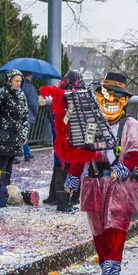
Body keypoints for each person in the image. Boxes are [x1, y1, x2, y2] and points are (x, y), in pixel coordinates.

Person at [64, 72, 138, 275]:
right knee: (99, 231)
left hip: (120, 186)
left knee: (116, 229)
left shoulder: (130, 125)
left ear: (125, 100)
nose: (111, 100)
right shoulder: (92, 124)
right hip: (94, 185)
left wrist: (122, 168)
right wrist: (73, 177)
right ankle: (105, 269)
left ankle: (111, 274)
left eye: (117, 96)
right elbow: (82, 152)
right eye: (106, 94)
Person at [43, 70, 84, 212]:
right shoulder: (80, 95)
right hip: (75, 138)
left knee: (60, 166)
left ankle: (59, 198)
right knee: (72, 168)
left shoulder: (61, 94)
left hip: (62, 137)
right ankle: (69, 199)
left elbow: (54, 116)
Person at [0, 70, 29, 187]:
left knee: (10, 163)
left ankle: (5, 188)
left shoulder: (21, 95)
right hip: (3, 134)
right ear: (9, 81)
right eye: (16, 81)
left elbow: (25, 117)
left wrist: (24, 134)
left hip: (16, 134)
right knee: (3, 162)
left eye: (20, 81)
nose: (18, 84)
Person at [20, 71, 38, 162]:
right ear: (30, 75)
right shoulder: (30, 87)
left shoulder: (17, 86)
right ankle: (25, 154)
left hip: (17, 115)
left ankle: (27, 153)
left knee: (20, 134)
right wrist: (35, 113)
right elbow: (33, 103)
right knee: (23, 135)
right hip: (28, 114)